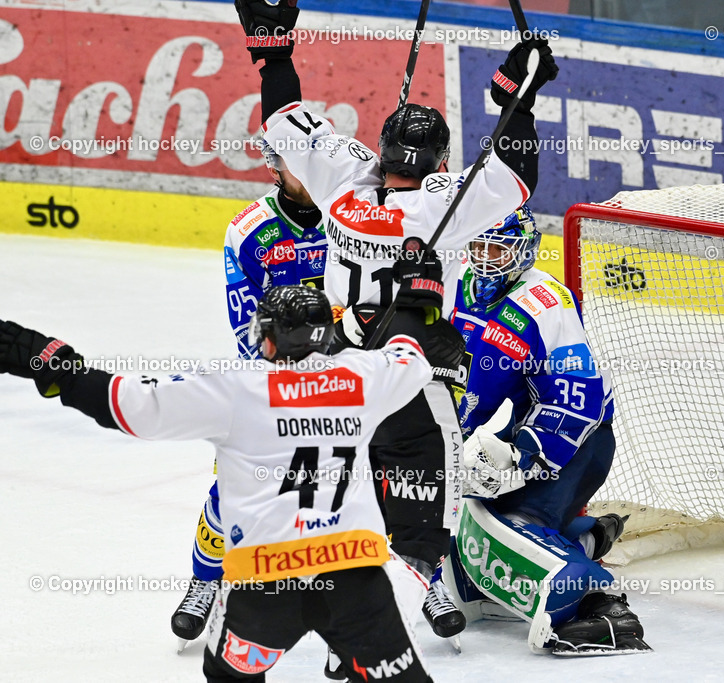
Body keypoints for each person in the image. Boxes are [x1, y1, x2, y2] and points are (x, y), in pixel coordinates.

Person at [232, 0, 559, 668]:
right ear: (437, 161)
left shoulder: (343, 180)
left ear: (380, 149)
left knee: (337, 510)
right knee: (420, 538)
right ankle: (362, 638)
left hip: (333, 378)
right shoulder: (443, 204)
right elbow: (517, 174)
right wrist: (518, 94)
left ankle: (284, 627)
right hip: (410, 385)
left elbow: (285, 118)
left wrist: (271, 45)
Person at [0, 274, 454, 681]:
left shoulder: (234, 387)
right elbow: (409, 355)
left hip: (265, 582)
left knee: (229, 677)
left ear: (271, 339)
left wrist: (54, 364)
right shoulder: (363, 375)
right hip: (356, 575)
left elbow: (130, 406)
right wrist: (420, 293)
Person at [435, 206, 650, 655]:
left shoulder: (546, 303)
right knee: (468, 530)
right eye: (478, 246)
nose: (484, 258)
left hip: (575, 443)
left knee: (509, 527)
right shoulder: (457, 281)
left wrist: (525, 456)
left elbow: (581, 399)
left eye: (497, 249)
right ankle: (585, 534)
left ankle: (605, 605)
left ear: (525, 251)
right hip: (506, 434)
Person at [171, 137, 330, 646]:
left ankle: (412, 584)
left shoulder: (349, 216)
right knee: (236, 485)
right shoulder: (249, 231)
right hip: (274, 374)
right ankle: (205, 580)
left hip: (346, 371)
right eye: (293, 163)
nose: (304, 172)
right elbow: (248, 331)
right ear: (275, 166)